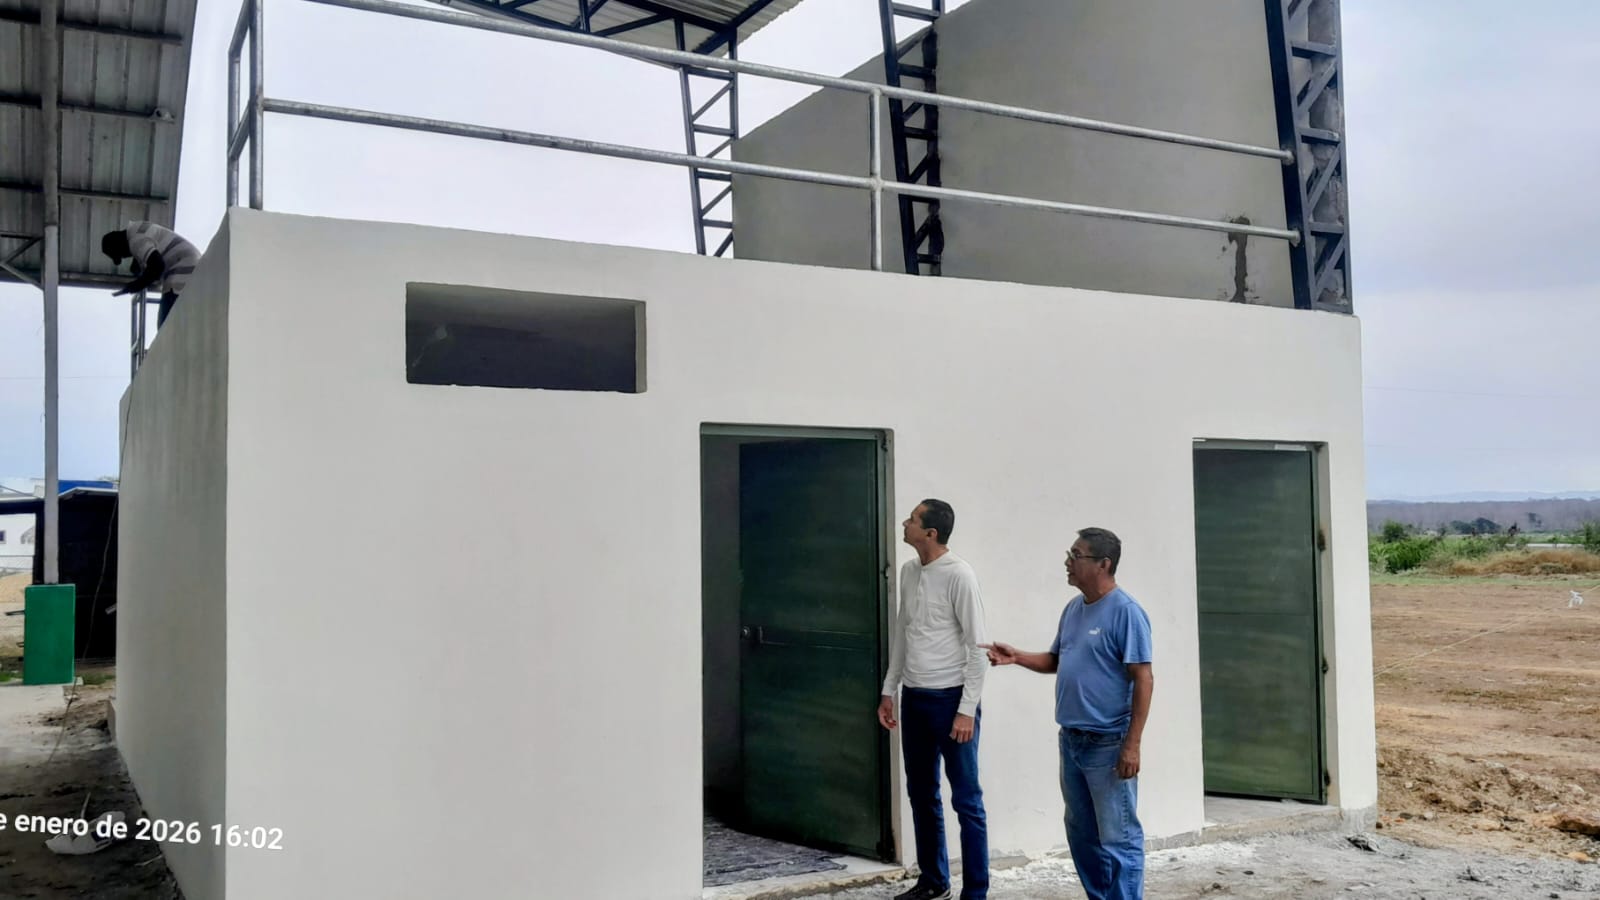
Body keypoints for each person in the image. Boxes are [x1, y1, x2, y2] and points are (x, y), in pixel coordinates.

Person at [983, 527, 1153, 900]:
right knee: (1082, 835)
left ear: (1103, 564)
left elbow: (1143, 679)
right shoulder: (1074, 609)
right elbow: (1057, 660)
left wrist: (1132, 745)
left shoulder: (1126, 613)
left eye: (1076, 555)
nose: (1067, 562)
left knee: (1119, 838)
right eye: (1069, 553)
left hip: (1108, 744)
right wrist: (1016, 657)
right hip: (1072, 741)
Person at [878, 499, 990, 900]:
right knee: (922, 793)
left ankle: (975, 891)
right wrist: (889, 689)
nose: (904, 523)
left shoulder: (959, 575)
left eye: (912, 520)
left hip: (951, 700)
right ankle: (933, 881)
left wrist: (966, 710)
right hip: (915, 697)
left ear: (931, 533)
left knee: (967, 800)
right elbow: (903, 633)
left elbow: (978, 649)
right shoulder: (909, 572)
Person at [101, 222, 201, 327]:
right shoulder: (136, 230)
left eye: (121, 255)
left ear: (119, 245)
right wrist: (137, 264)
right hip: (192, 265)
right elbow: (147, 250)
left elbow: (157, 266)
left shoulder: (136, 241)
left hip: (182, 271)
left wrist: (135, 286)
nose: (125, 257)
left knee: (166, 327)